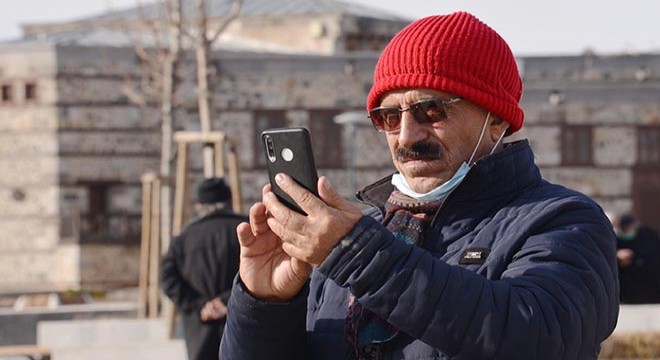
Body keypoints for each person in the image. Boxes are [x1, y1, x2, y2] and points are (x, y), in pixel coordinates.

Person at [220, 12, 619, 360]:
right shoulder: (357, 235)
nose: (407, 137)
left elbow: (537, 338)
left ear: (496, 119)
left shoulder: (562, 220)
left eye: (432, 110)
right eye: (389, 117)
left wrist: (355, 254)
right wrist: (265, 305)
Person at [161, 177, 245, 360]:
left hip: (200, 331)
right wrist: (226, 300)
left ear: (199, 205)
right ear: (229, 201)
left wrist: (200, 305)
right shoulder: (247, 230)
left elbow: (167, 279)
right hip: (243, 324)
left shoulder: (183, 238)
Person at [613, 213, 660, 304]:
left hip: (651, 293)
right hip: (626, 296)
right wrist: (617, 255)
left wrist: (634, 258)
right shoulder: (617, 239)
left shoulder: (648, 237)